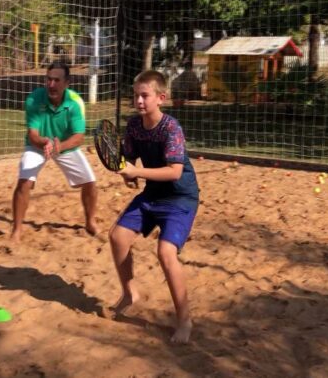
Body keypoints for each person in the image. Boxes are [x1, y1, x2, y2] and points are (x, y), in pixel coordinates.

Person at [108, 69, 199, 344]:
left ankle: (184, 320)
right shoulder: (135, 126)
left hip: (180, 198)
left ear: (161, 98)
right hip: (152, 193)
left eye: (144, 95)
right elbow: (130, 158)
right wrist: (127, 172)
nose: (138, 101)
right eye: (135, 95)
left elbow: (173, 172)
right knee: (117, 236)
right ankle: (129, 292)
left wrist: (137, 173)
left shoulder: (171, 128)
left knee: (166, 252)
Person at [11, 61, 98, 242]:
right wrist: (45, 142)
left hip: (65, 145)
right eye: (48, 80)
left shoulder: (75, 103)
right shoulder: (34, 99)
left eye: (57, 80)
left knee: (90, 182)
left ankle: (90, 221)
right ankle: (17, 229)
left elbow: (79, 136)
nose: (51, 85)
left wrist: (60, 146)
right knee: (24, 181)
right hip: (38, 145)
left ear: (67, 83)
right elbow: (32, 134)